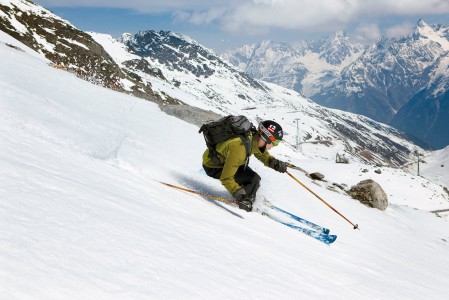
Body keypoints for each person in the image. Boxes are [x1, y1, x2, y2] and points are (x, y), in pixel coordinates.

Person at [202, 120, 288, 212]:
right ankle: (247, 202)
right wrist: (241, 197)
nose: (274, 146)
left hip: (228, 161)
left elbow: (260, 153)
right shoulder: (240, 147)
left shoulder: (252, 138)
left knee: (254, 179)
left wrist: (274, 163)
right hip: (214, 166)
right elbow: (226, 178)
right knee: (253, 179)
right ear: (266, 138)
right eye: (275, 143)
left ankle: (251, 198)